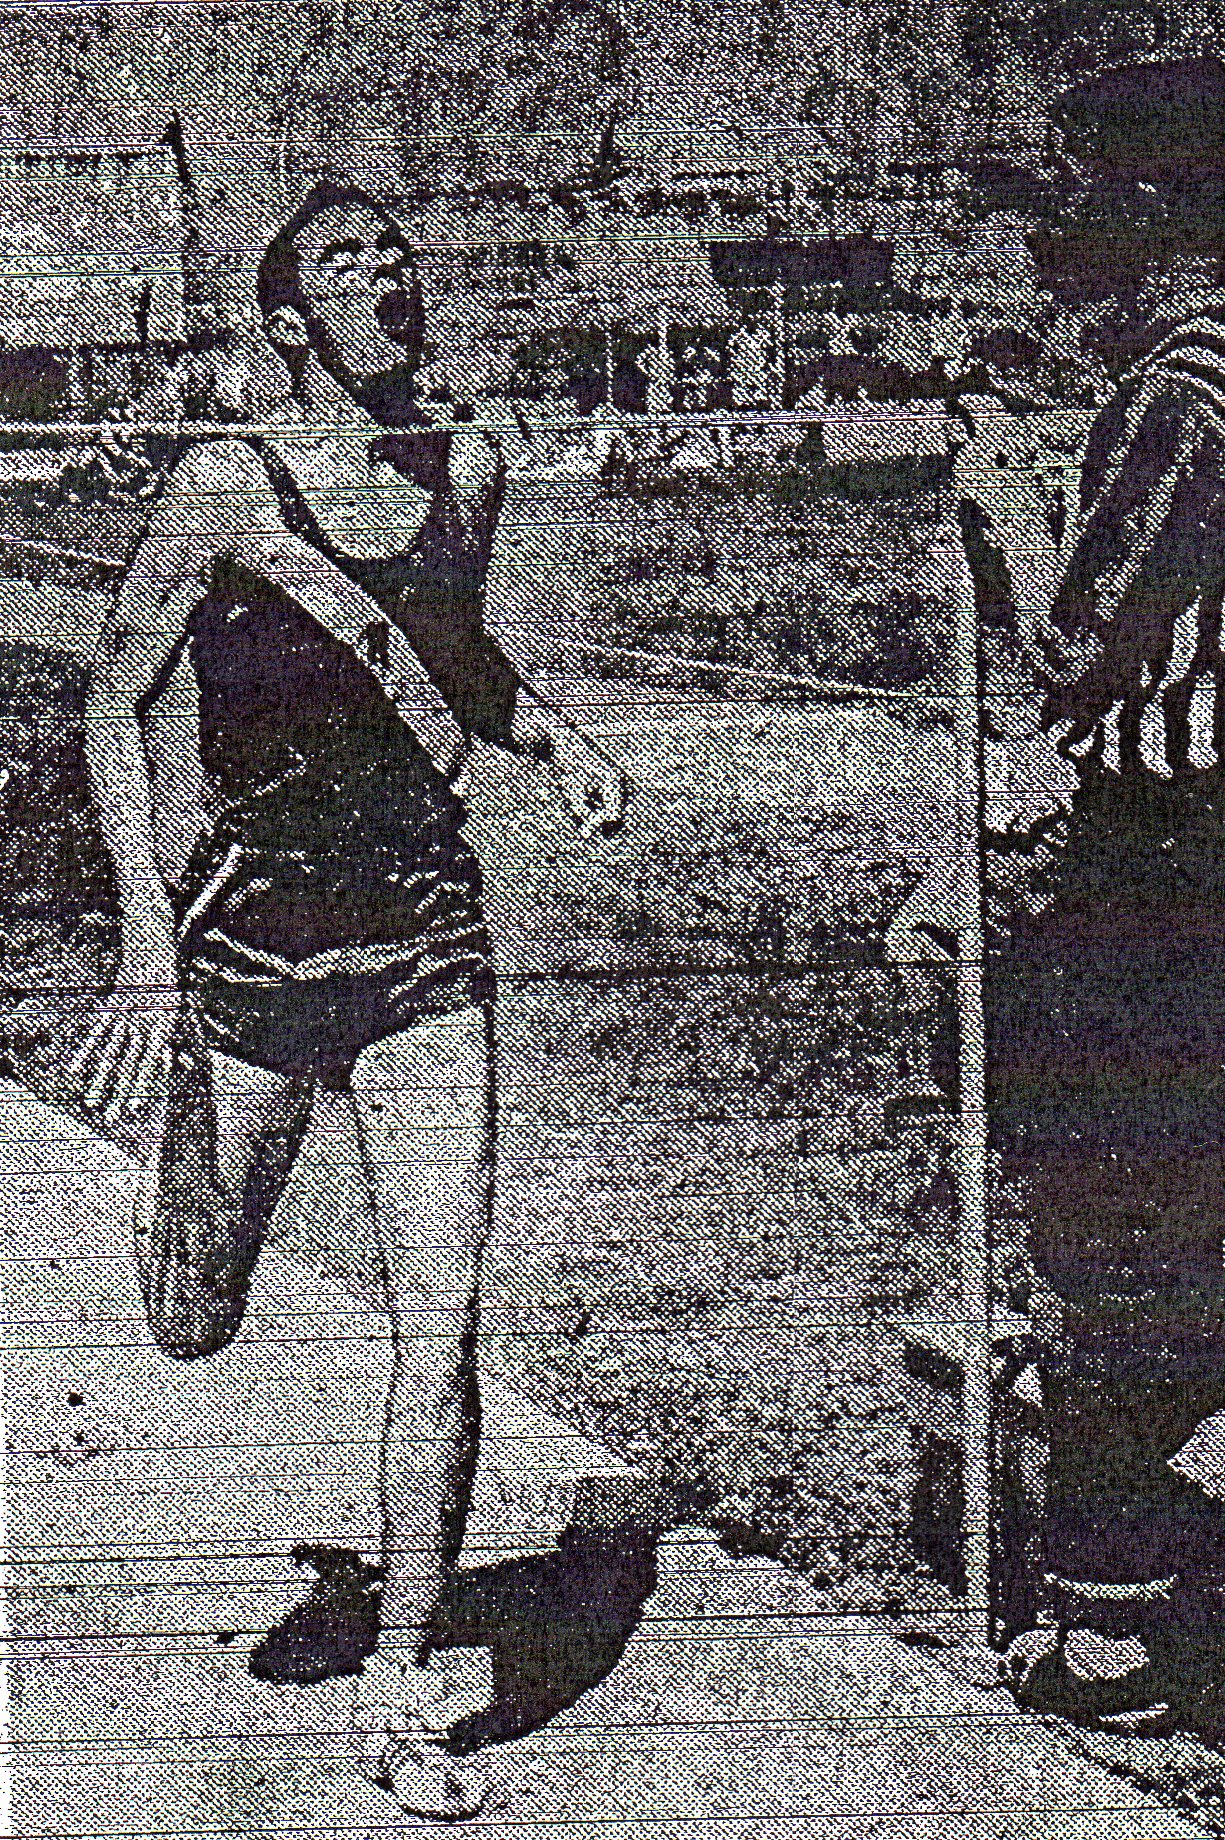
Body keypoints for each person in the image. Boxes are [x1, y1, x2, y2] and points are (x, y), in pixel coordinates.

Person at [73, 178, 627, 1815]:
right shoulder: (223, 483)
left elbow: (458, 666)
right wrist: (147, 943)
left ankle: (401, 1691)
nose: (385, 277)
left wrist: (557, 741)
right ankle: (182, 1185)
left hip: (424, 942)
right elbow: (112, 706)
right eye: (344, 262)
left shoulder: (469, 465)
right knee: (191, 1322)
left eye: (397, 254)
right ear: (289, 320)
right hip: (254, 949)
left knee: (439, 1328)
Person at [893, 274, 1225, 1732]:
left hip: (1173, 866)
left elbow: (1076, 644)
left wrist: (1006, 508)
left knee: (1124, 1226)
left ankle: (1112, 1619)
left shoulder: (1189, 389)